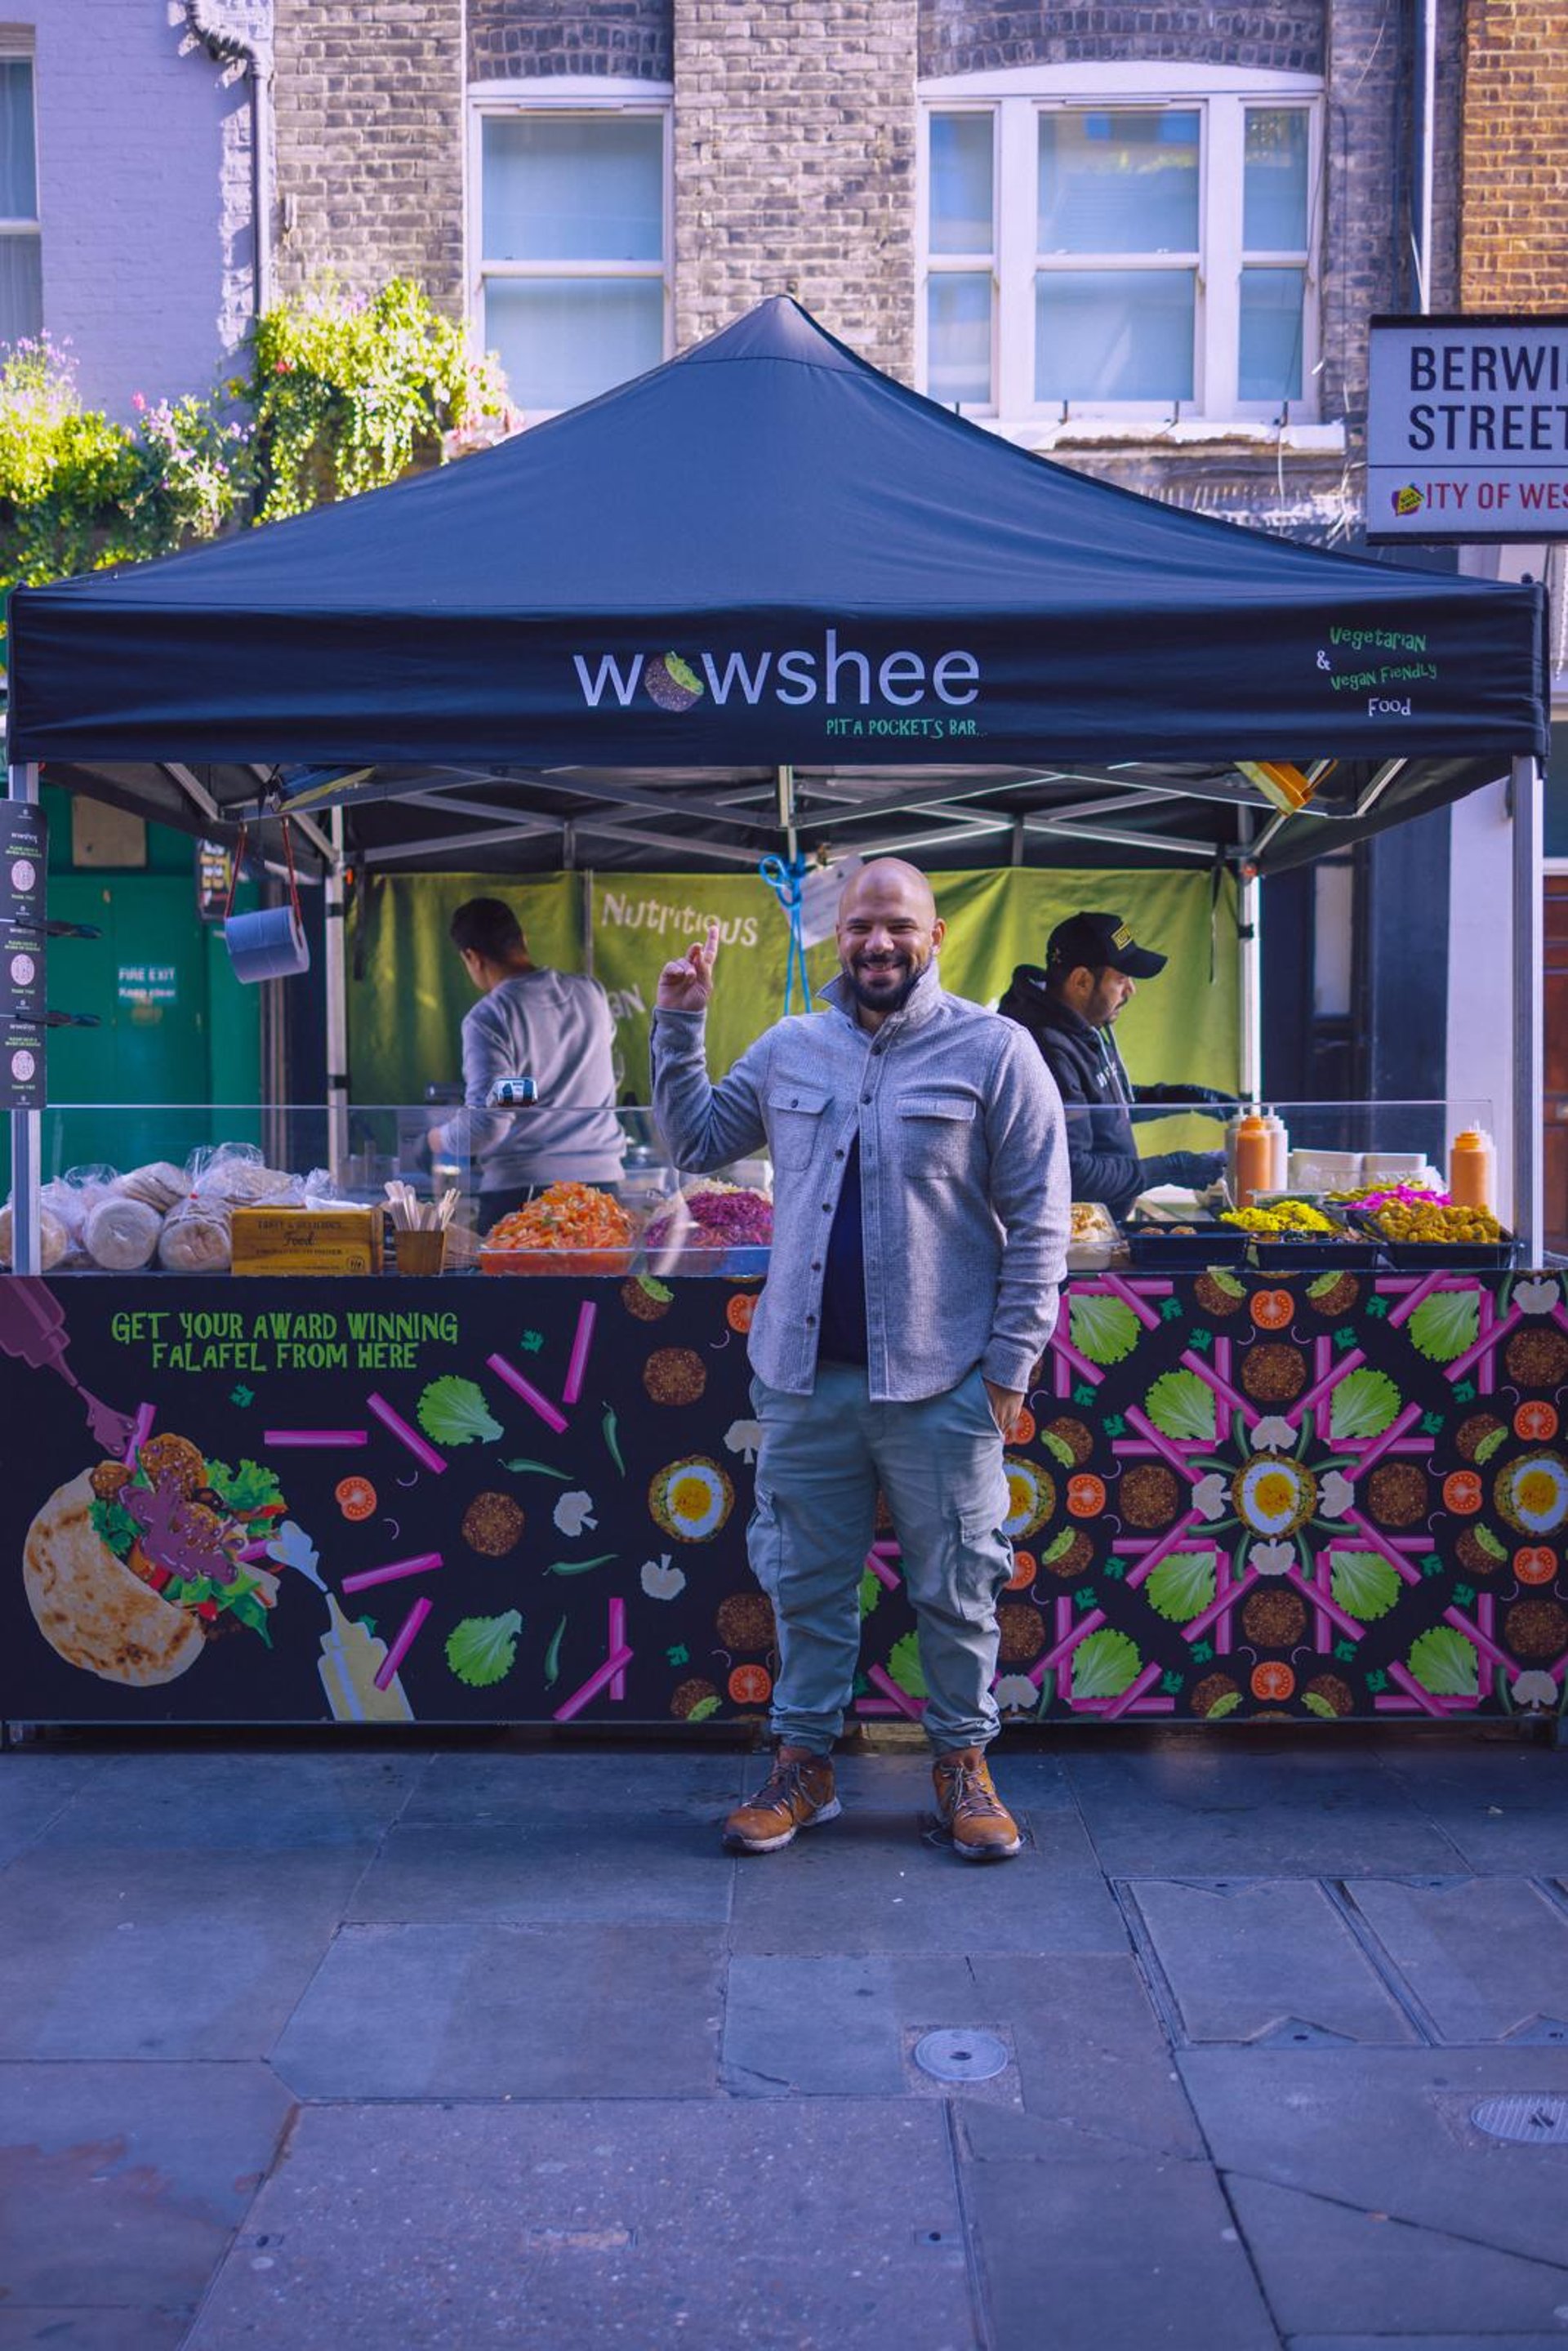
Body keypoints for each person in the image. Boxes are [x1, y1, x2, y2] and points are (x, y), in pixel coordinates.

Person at [653, 859, 1069, 1863]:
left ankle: (963, 1767)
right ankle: (805, 1765)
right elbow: (697, 1142)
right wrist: (679, 1023)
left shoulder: (996, 1050)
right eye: (860, 928)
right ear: (837, 940)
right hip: (804, 1378)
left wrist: (1009, 1370)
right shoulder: (793, 1046)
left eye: (899, 927)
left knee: (960, 1584)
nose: (878, 944)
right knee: (805, 1580)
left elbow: (1042, 1220)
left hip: (943, 1382)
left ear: (934, 938)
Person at [998, 911, 1229, 1219]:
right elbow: (1073, 1171)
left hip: (1102, 1225)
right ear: (1081, 981)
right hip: (1072, 1240)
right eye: (1121, 979)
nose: (1131, 990)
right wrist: (1168, 1169)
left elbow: (1099, 1103)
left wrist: (1179, 1097)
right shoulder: (1045, 1049)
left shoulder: (1077, 1026)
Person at [430, 897, 624, 1230]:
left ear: (471, 957)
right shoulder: (590, 993)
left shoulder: (490, 1017)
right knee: (601, 1285)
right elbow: (587, 1068)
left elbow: (490, 1123)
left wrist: (437, 1139)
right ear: (522, 940)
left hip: (526, 1193)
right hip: (602, 1188)